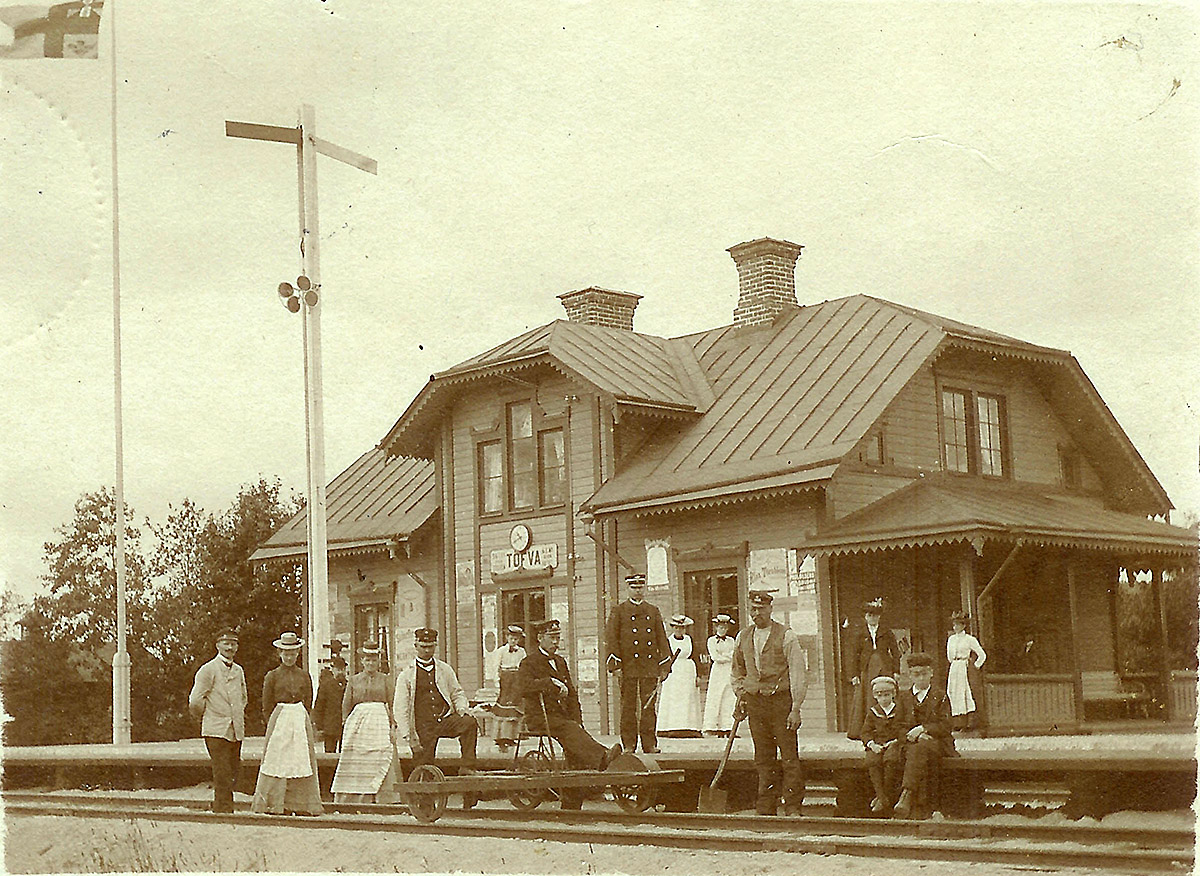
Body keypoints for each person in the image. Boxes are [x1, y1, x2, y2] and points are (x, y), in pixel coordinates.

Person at [518, 619, 623, 809]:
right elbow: (523, 688)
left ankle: (571, 806)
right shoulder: (529, 662)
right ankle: (602, 758)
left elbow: (572, 694)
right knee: (569, 729)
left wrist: (578, 719)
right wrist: (549, 682)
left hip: (561, 718)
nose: (556, 642)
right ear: (540, 638)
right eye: (552, 638)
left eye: (558, 638)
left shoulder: (560, 661)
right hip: (539, 717)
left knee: (574, 742)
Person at [730, 590, 808, 816]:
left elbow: (798, 674)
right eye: (753, 610)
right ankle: (766, 807)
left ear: (770, 609)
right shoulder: (743, 636)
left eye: (761, 609)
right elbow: (737, 671)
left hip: (781, 703)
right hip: (756, 703)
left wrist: (795, 708)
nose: (757, 614)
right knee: (763, 758)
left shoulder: (787, 636)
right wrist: (741, 694)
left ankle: (793, 806)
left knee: (789, 757)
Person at [252, 631, 323, 815]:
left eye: (293, 653)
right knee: (277, 759)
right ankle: (274, 804)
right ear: (280, 654)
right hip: (280, 719)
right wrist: (273, 723)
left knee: (301, 758)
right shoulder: (272, 676)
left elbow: (308, 700)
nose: (289, 657)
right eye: (286, 653)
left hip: (299, 716)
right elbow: (266, 705)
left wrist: (301, 717)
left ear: (298, 654)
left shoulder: (304, 676)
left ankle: (302, 805)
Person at [394, 628, 479, 777]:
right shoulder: (406, 674)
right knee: (424, 766)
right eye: (423, 647)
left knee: (469, 722)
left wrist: (462, 708)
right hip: (423, 726)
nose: (427, 650)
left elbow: (457, 692)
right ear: (416, 646)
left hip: (444, 720)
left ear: (435, 646)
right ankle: (425, 799)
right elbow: (400, 708)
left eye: (431, 647)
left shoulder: (444, 669)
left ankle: (467, 767)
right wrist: (409, 737)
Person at [605, 573, 672, 753]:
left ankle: (649, 744)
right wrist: (615, 665)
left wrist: (665, 665)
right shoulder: (618, 611)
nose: (637, 590)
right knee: (628, 707)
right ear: (628, 589)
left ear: (644, 588)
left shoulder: (653, 610)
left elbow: (662, 639)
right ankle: (628, 744)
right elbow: (612, 639)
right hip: (628, 667)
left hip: (649, 667)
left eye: (640, 587)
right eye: (634, 587)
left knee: (648, 707)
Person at [188, 628, 247, 813]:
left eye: (233, 643)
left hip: (235, 729)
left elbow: (244, 697)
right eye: (226, 643)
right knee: (222, 772)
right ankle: (224, 812)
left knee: (233, 771)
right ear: (217, 645)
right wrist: (209, 715)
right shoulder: (208, 670)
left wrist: (236, 715)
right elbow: (195, 700)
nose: (230, 647)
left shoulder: (238, 670)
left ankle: (222, 807)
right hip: (215, 729)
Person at [331, 643, 398, 803]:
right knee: (358, 758)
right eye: (367, 660)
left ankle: (384, 796)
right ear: (362, 661)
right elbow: (346, 705)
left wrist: (393, 724)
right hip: (359, 724)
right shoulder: (354, 680)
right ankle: (355, 797)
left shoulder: (386, 680)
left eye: (373, 660)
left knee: (382, 754)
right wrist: (346, 724)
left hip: (380, 721)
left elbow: (392, 702)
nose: (370, 663)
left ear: (378, 661)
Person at [893, 652, 956, 820]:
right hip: (911, 743)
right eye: (916, 674)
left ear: (931, 673)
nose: (921, 678)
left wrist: (923, 729)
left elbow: (947, 725)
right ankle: (923, 805)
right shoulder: (904, 697)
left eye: (924, 674)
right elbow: (897, 727)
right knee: (916, 750)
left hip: (937, 742)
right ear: (910, 676)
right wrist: (911, 736)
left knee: (920, 749)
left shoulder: (940, 695)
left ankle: (907, 795)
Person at [846, 598, 900, 740]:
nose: (872, 618)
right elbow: (854, 655)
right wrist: (854, 675)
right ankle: (866, 731)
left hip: (884, 666)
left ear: (879, 617)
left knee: (886, 693)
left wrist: (896, 671)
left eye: (875, 615)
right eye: (869, 615)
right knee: (867, 697)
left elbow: (895, 652)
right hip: (867, 668)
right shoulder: (860, 633)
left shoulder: (886, 632)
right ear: (865, 617)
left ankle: (888, 729)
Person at [861, 675, 904, 814]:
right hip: (877, 745)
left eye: (887, 695)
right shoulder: (873, 712)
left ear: (893, 694)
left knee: (891, 760)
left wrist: (896, 741)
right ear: (875, 697)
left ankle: (882, 797)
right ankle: (882, 796)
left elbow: (904, 729)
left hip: (894, 743)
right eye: (880, 695)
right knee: (872, 761)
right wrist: (872, 744)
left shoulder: (899, 710)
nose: (884, 699)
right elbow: (865, 732)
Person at [658, 615, 701, 737]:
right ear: (672, 628)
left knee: (688, 698)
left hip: (688, 671)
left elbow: (695, 656)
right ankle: (671, 727)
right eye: (677, 628)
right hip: (673, 671)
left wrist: (698, 675)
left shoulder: (689, 640)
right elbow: (663, 658)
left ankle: (690, 727)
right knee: (674, 698)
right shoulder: (668, 641)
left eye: (682, 628)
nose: (679, 630)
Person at [945, 610, 987, 731]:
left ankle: (970, 723)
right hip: (954, 667)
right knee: (953, 692)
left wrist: (975, 666)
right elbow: (949, 656)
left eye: (958, 624)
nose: (955, 627)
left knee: (965, 692)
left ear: (963, 625)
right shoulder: (951, 639)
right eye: (954, 624)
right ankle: (957, 722)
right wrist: (954, 662)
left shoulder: (970, 639)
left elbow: (982, 655)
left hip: (965, 667)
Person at [703, 614, 738, 735]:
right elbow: (715, 657)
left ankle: (727, 726)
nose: (722, 629)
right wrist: (727, 656)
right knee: (715, 696)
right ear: (716, 628)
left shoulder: (731, 641)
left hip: (728, 670)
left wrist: (727, 656)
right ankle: (711, 726)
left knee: (729, 696)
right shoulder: (711, 641)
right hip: (717, 671)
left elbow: (735, 655)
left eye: (724, 627)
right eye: (720, 627)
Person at [313, 654, 348, 753]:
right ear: (332, 670)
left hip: (345, 727)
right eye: (337, 669)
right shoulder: (325, 686)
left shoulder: (349, 685)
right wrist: (319, 726)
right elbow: (319, 706)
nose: (340, 672)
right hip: (330, 727)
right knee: (329, 754)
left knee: (344, 754)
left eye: (342, 669)